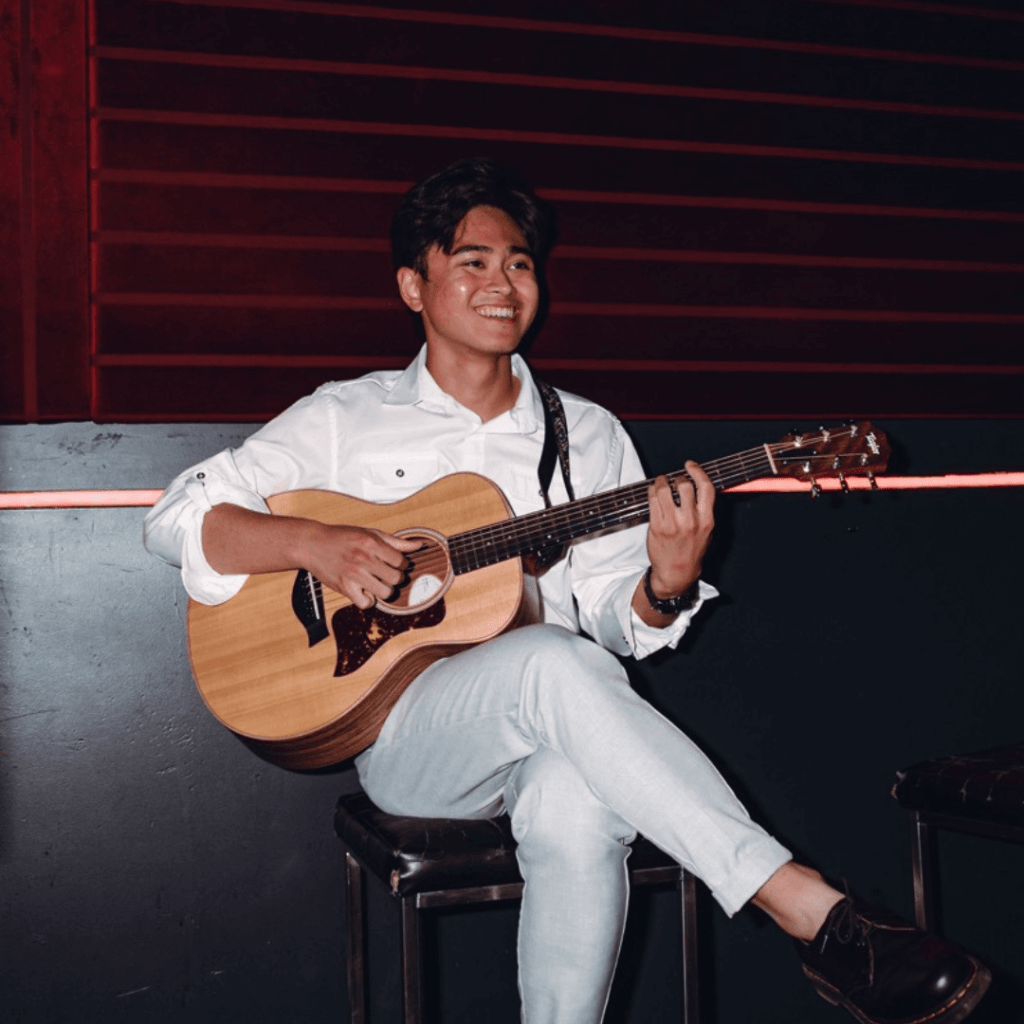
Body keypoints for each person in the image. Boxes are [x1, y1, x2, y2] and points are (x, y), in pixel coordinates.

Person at [144, 157, 990, 1024]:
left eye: (519, 262)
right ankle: (804, 905)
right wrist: (316, 544)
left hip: (557, 721)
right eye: (472, 262)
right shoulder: (344, 417)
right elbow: (176, 515)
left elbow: (616, 623)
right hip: (410, 736)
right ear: (412, 285)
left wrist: (668, 581)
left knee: (579, 798)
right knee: (550, 658)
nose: (503, 283)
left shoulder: (586, 433)